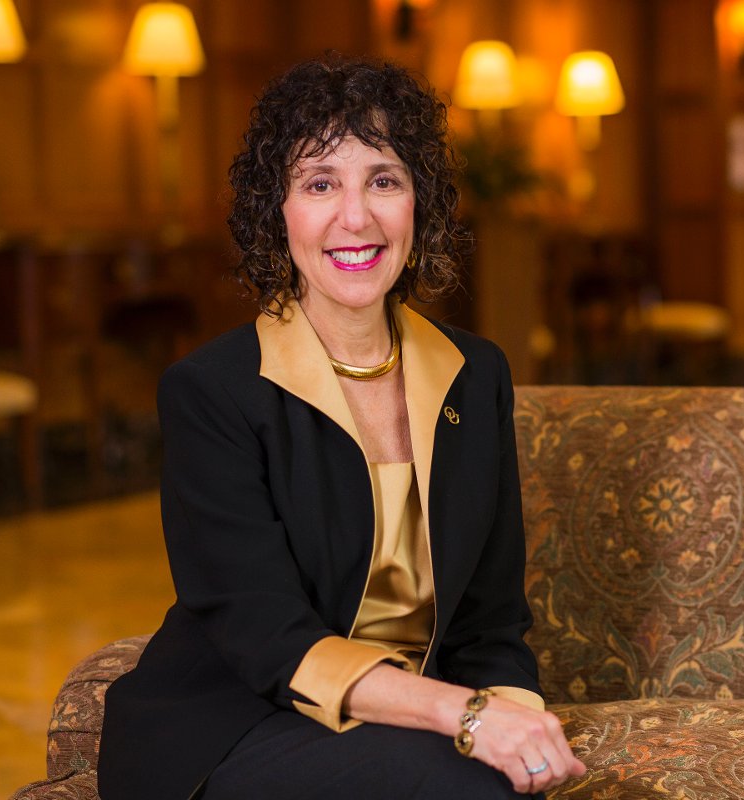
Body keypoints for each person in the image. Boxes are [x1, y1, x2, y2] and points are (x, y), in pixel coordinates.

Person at [97, 55, 586, 800]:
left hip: (405, 728)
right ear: (277, 211)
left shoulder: (474, 373)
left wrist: (518, 730)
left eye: (383, 180)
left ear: (419, 201)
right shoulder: (211, 391)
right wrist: (467, 716)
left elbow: (492, 623)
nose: (355, 217)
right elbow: (265, 636)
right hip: (231, 725)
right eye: (320, 183)